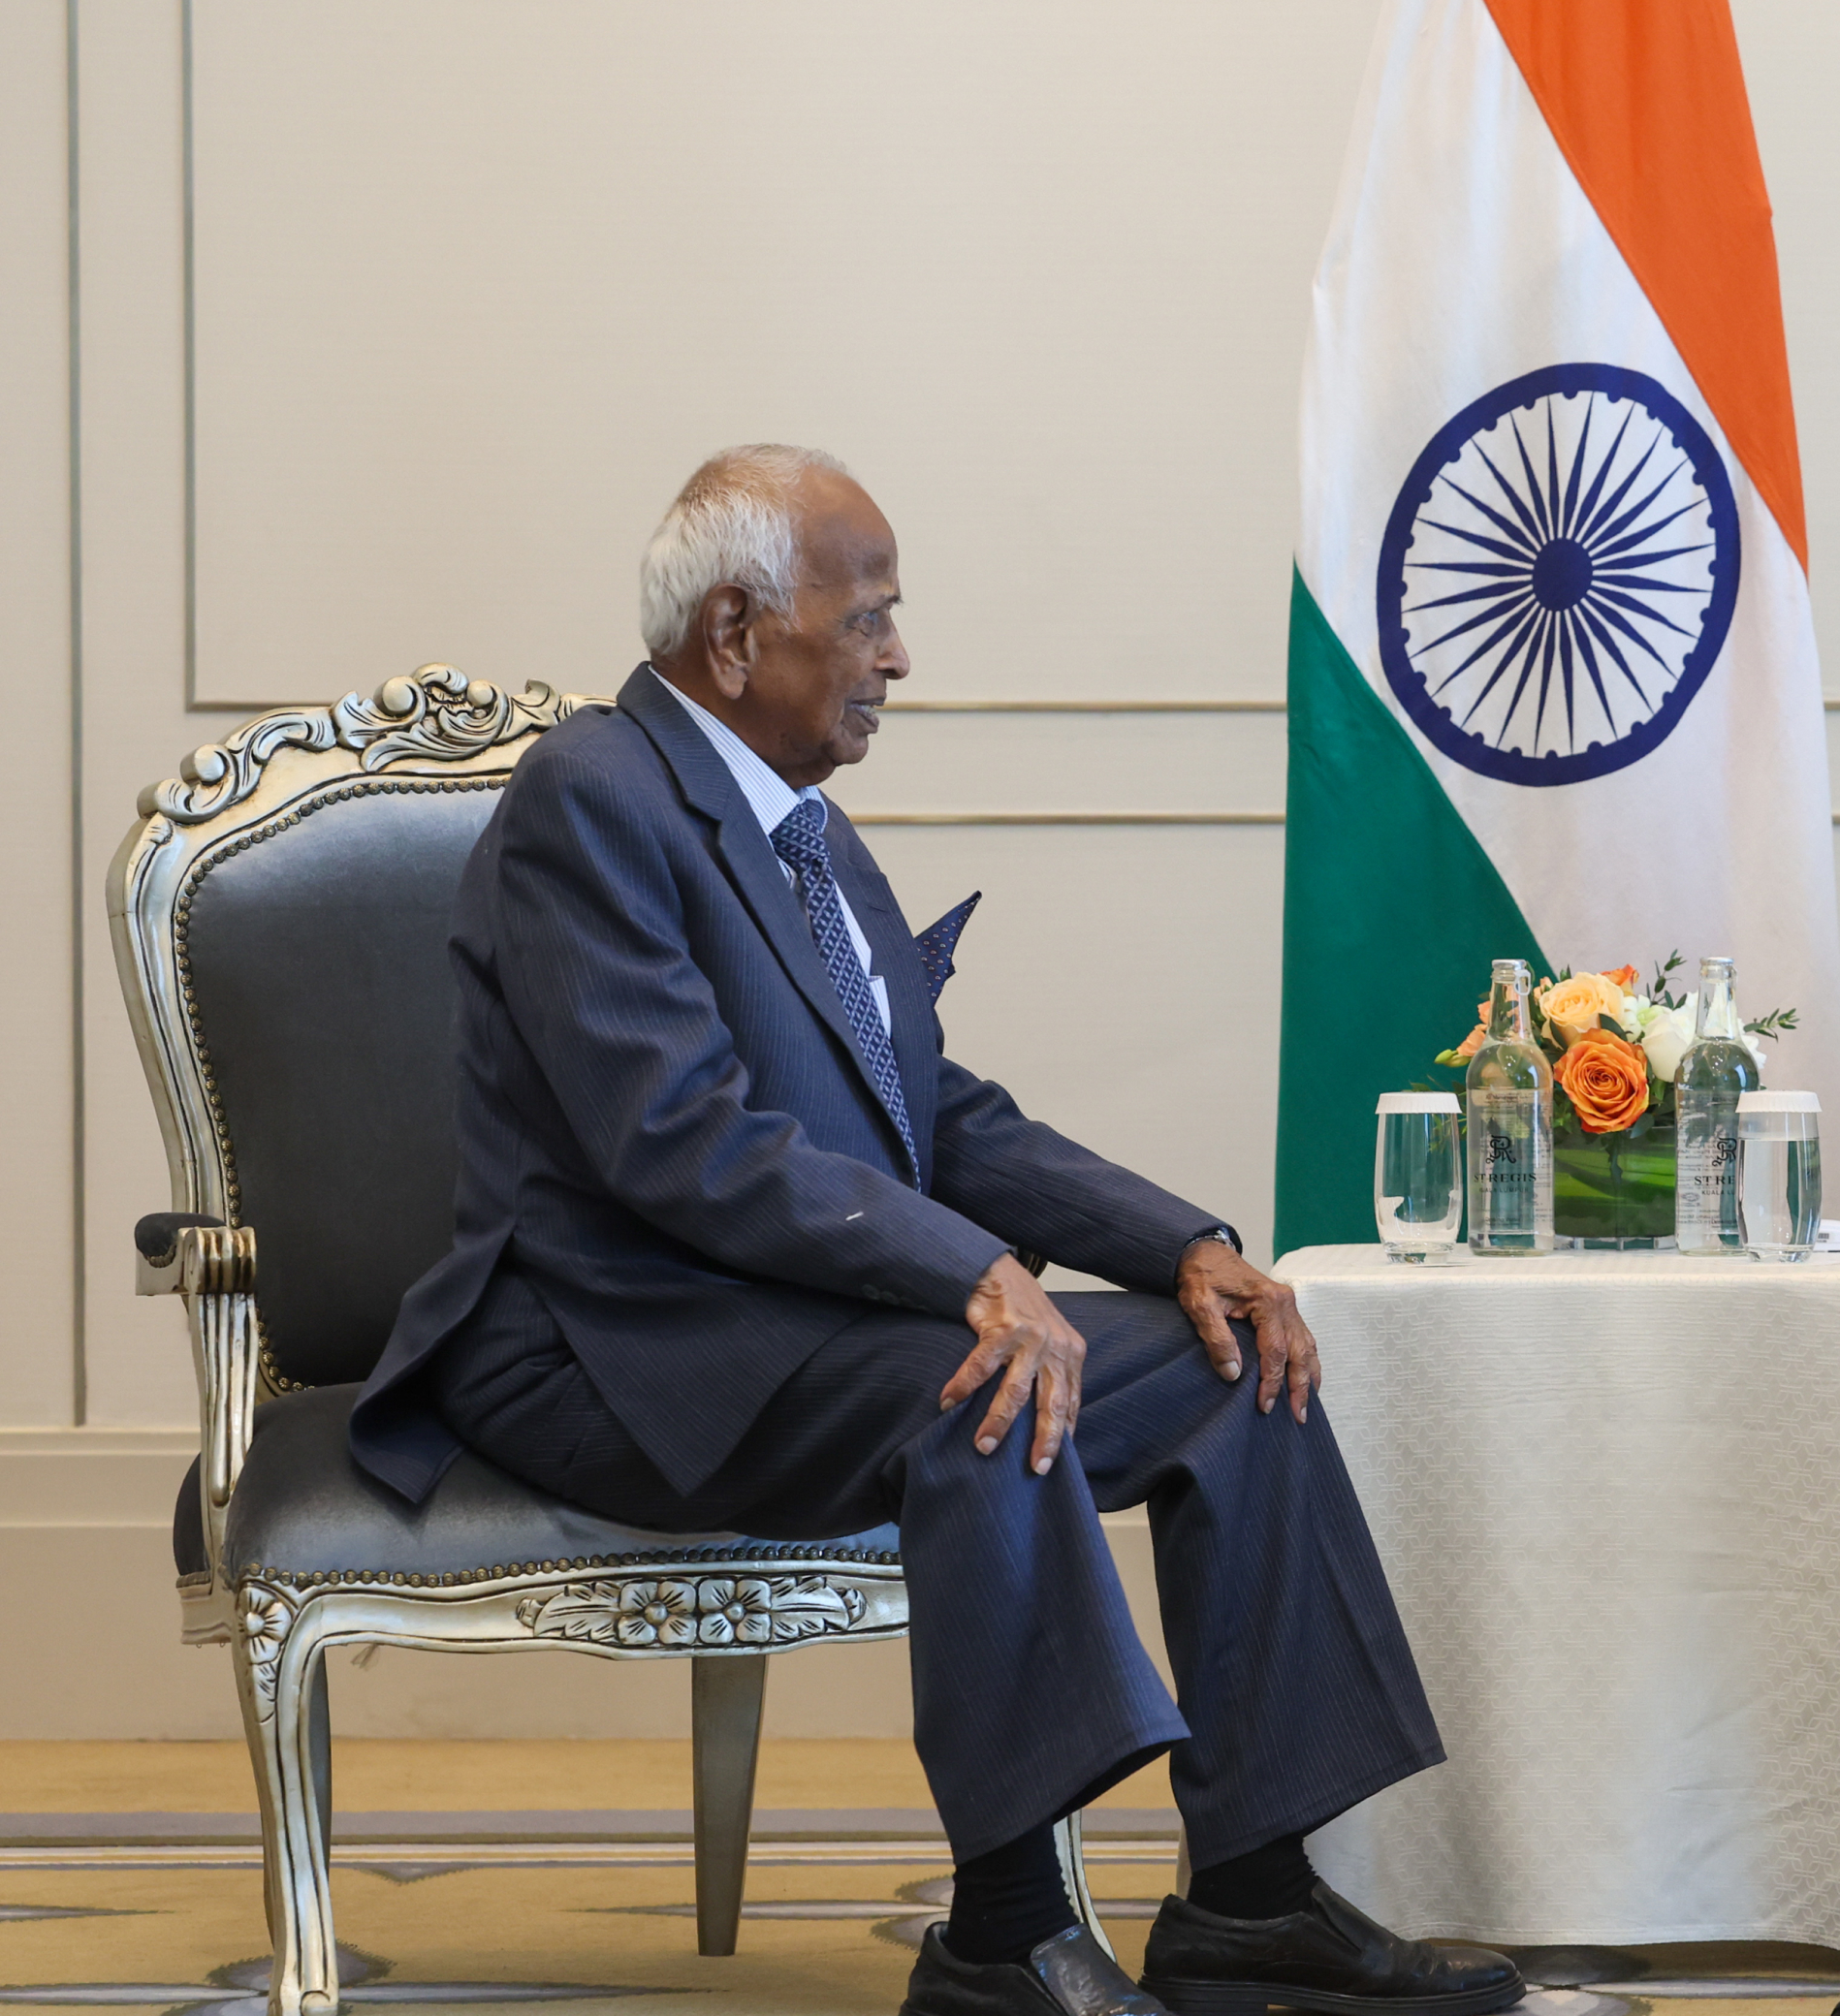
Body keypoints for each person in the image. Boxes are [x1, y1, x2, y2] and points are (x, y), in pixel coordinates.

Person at [348, 445, 1524, 2016]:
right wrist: (970, 1274)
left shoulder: (806, 829)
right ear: (734, 633)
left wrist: (1178, 1246)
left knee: (1239, 1367)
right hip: (617, 1343)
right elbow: (678, 1138)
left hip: (802, 1322)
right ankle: (1004, 1933)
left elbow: (938, 1115)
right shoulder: (594, 797)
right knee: (983, 1386)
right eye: (869, 619)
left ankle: (1251, 1898)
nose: (898, 657)